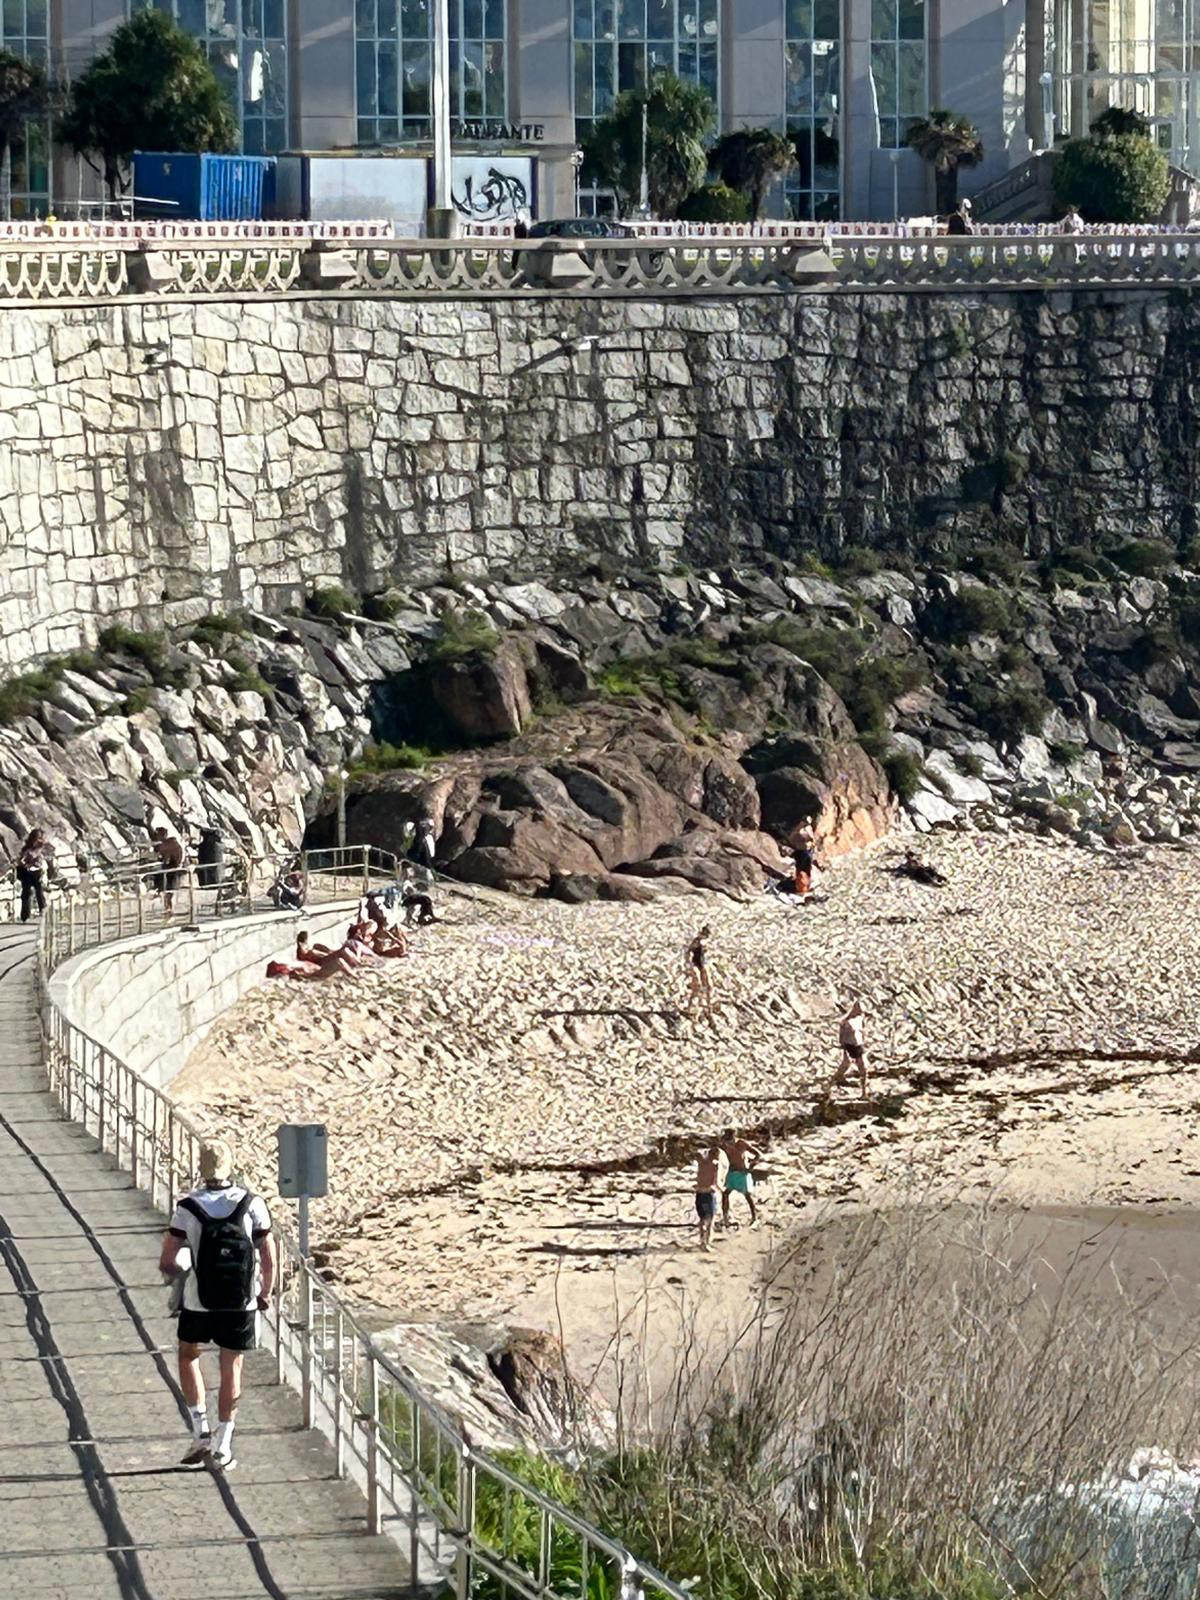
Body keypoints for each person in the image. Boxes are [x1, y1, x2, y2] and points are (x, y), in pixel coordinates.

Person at [159, 1139, 275, 1470]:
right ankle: (225, 1444)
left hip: (199, 1300)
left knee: (188, 1355)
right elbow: (268, 1256)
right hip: (241, 1301)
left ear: (201, 1168)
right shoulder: (252, 1203)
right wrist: (265, 1292)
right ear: (230, 1168)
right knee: (231, 1368)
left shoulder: (188, 1208)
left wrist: (180, 1267)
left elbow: (168, 1260)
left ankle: (200, 1430)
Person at [721, 1130, 761, 1229]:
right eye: (727, 1142)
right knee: (725, 1194)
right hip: (731, 1172)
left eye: (730, 1142)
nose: (729, 1144)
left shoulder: (742, 1144)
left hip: (742, 1172)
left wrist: (752, 1165)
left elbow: (757, 1154)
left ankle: (754, 1216)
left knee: (747, 1195)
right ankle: (725, 1217)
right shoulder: (725, 1146)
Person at [830, 1000, 869, 1098]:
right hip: (849, 1045)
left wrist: (864, 1041)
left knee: (863, 1068)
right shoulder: (846, 1021)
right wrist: (844, 1049)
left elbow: (863, 1031)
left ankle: (864, 1092)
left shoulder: (860, 1018)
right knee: (845, 1065)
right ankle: (831, 1084)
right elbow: (841, 1036)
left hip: (859, 1045)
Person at [16, 828, 51, 922]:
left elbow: (43, 859)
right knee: (26, 893)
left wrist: (35, 862)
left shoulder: (41, 848)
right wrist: (25, 863)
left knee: (39, 892)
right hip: (27, 872)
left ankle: (43, 911)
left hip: (36, 871)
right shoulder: (27, 848)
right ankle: (25, 915)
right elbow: (21, 860)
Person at [150, 827, 185, 917]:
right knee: (170, 890)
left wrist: (161, 859)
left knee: (169, 890)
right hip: (175, 868)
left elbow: (165, 858)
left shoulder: (167, 845)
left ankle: (169, 910)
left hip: (172, 869)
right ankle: (168, 908)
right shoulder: (173, 843)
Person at [685, 925, 713, 1021]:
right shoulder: (697, 941)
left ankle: (709, 1008)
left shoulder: (705, 941)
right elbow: (689, 952)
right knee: (697, 987)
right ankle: (691, 1008)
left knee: (709, 986)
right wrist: (689, 964)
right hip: (696, 964)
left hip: (703, 963)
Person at [695, 1145, 721, 1250]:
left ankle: (702, 1241)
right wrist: (721, 1189)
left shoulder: (701, 1162)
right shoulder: (715, 1165)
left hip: (699, 1192)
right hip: (708, 1192)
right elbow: (715, 1181)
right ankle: (707, 1242)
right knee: (710, 1219)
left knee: (702, 1219)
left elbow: (697, 1154)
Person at [793, 831, 817, 898]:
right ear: (809, 882)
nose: (799, 880)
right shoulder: (814, 867)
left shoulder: (791, 870)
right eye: (803, 883)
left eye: (797, 884)